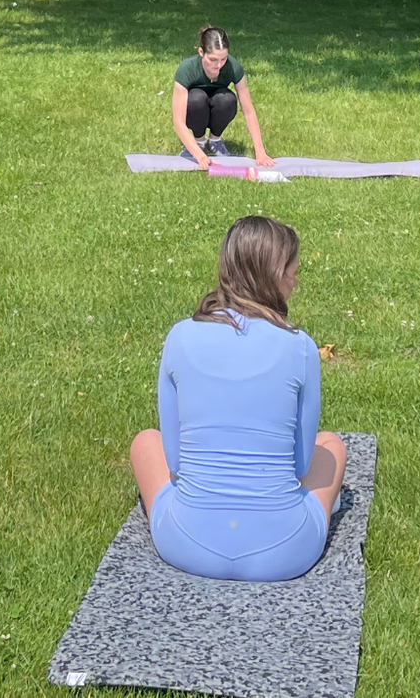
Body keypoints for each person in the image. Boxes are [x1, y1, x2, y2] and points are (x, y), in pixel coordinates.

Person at [129, 216, 346, 582]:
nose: (296, 282)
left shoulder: (180, 337)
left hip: (184, 542)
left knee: (144, 441)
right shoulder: (301, 348)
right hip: (287, 550)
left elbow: (175, 462)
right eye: (292, 272)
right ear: (273, 274)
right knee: (331, 446)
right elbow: (300, 465)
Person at [171, 26, 274, 170]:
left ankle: (215, 141)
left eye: (223, 59)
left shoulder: (234, 67)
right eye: (213, 59)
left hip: (219, 102)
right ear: (201, 52)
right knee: (196, 99)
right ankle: (198, 143)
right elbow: (178, 122)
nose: (218, 65)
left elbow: (248, 111)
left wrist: (260, 152)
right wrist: (200, 156)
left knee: (227, 99)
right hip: (196, 105)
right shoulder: (187, 69)